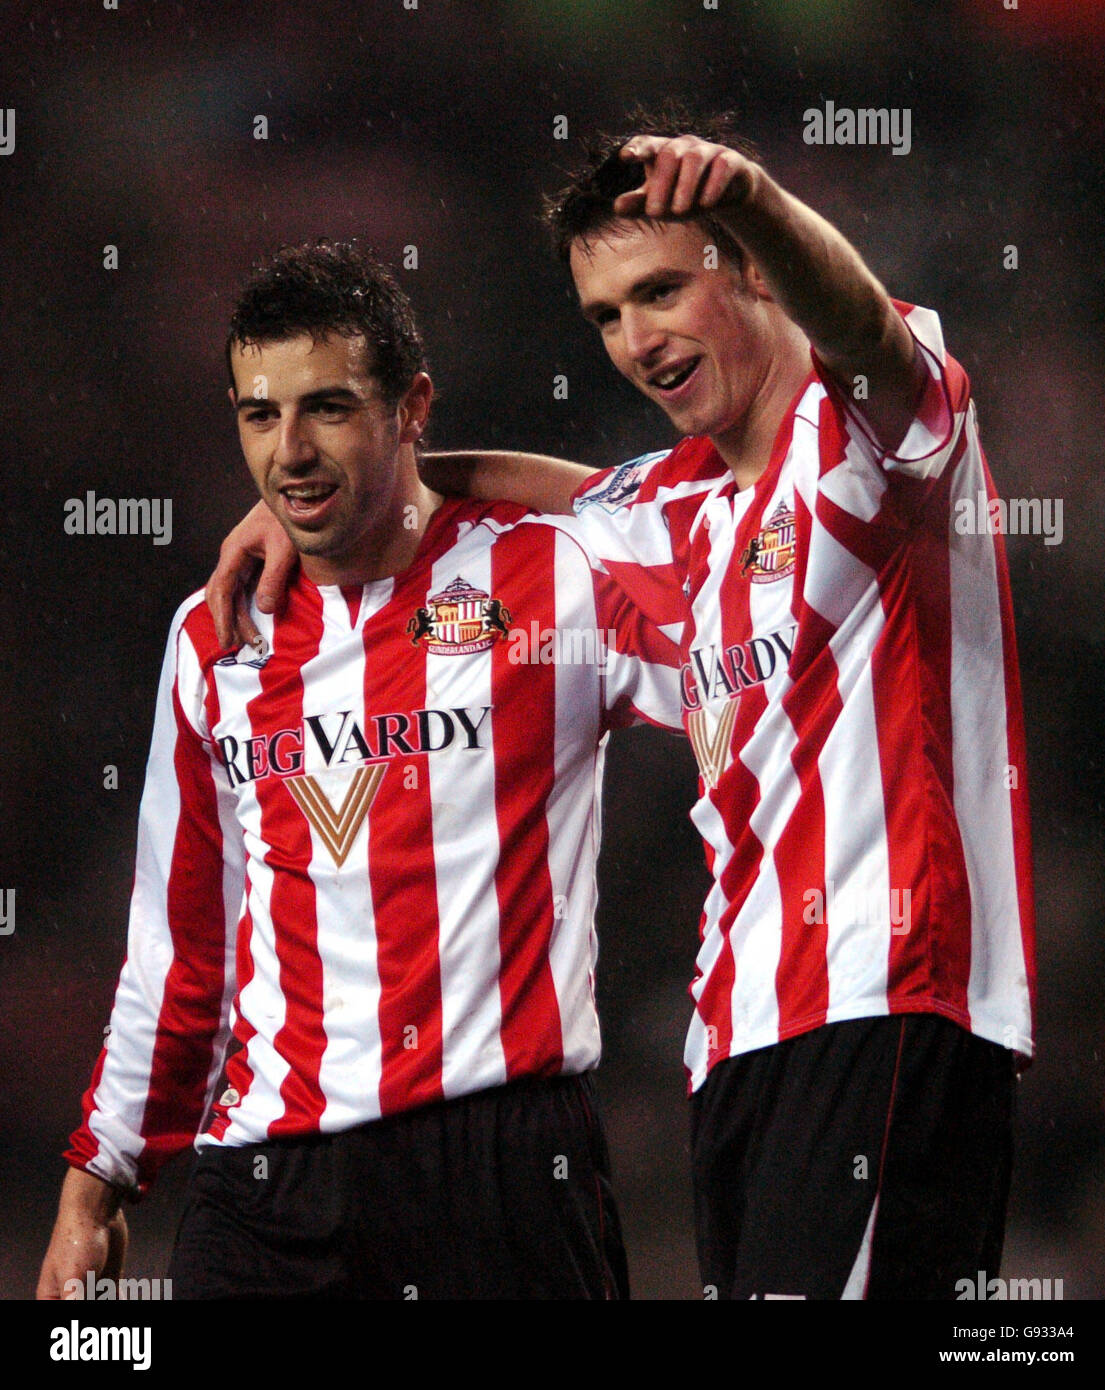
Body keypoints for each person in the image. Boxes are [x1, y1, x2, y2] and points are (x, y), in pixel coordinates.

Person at [208, 111, 1037, 1300]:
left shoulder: (867, 441)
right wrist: (326, 492)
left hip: (887, 1003)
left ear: (751, 273)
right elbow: (556, 496)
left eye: (661, 290)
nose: (636, 339)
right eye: (605, 315)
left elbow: (858, 329)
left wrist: (750, 195)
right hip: (739, 1040)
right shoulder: (675, 511)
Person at [37, 241, 682, 1301]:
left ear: (410, 406)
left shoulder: (546, 575)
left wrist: (447, 477)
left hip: (501, 1169)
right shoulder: (212, 636)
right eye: (259, 415)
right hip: (267, 1179)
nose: (288, 452)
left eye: (328, 408)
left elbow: (705, 546)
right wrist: (95, 1180)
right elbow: (181, 941)